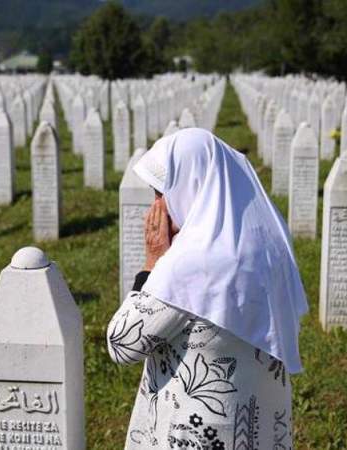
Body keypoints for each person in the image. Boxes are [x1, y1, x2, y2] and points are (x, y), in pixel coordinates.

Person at [106, 128, 308, 449]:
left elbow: (123, 343)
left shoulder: (189, 264)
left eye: (161, 193)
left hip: (195, 429)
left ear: (189, 185)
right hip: (254, 424)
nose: (156, 206)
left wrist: (152, 264)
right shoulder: (268, 241)